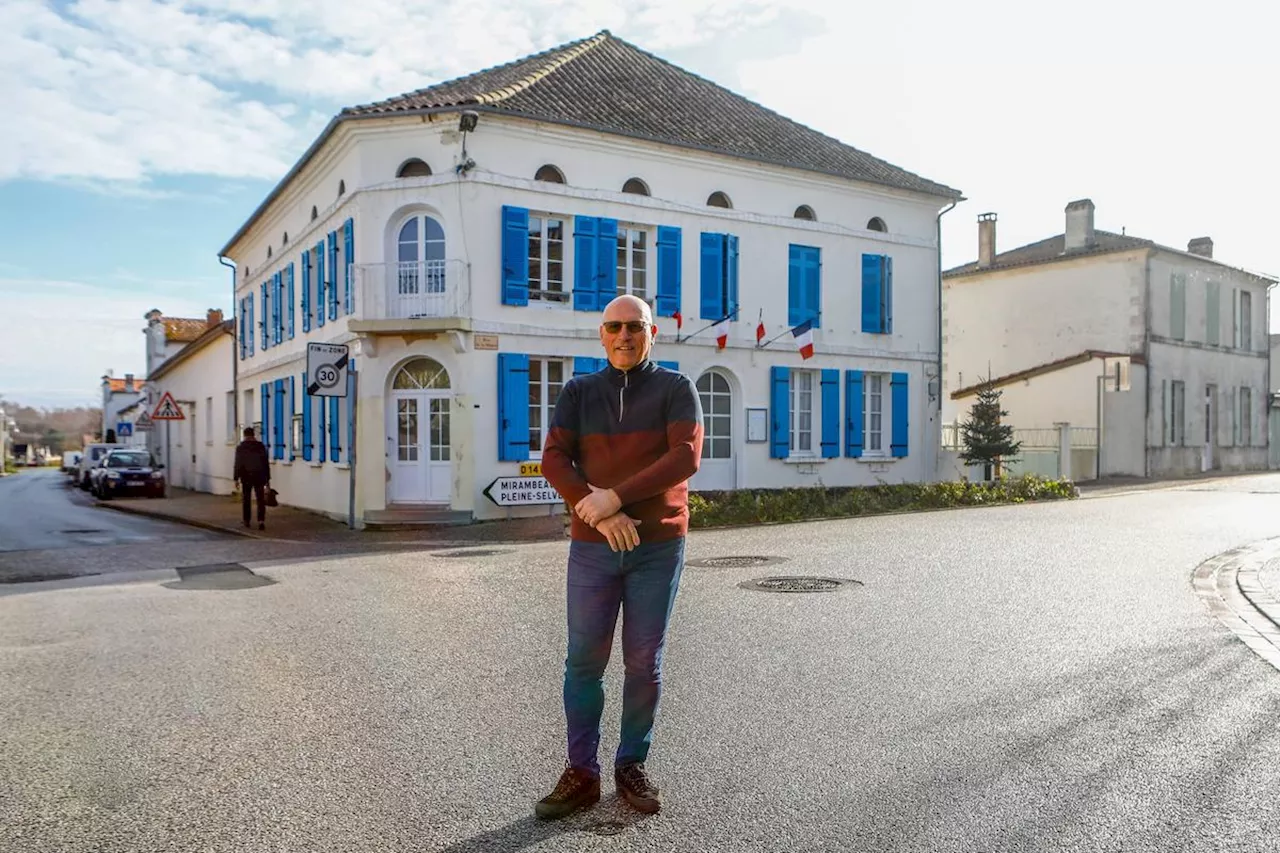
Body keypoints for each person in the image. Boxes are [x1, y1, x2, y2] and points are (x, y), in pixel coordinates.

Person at [536, 294, 703, 819]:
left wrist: (615, 495)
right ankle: (581, 773)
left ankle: (631, 762)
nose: (624, 335)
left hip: (658, 547)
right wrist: (603, 513)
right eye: (614, 327)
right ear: (601, 335)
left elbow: (686, 456)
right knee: (583, 661)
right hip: (594, 547)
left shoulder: (677, 388)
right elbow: (554, 458)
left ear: (653, 333)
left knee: (641, 662)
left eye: (635, 326)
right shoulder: (579, 392)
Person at [233, 427, 270, 530]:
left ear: (244, 435)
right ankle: (261, 521)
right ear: (253, 435)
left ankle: (246, 520)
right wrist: (267, 479)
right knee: (260, 499)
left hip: (246, 476)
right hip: (259, 475)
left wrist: (236, 478)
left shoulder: (241, 447)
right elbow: (265, 463)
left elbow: (238, 464)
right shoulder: (260, 446)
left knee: (246, 499)